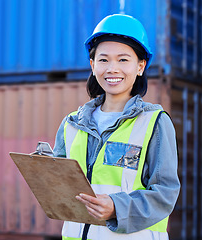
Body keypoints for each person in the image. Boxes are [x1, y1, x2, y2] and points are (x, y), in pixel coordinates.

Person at [53, 14, 180, 240]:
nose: (112, 68)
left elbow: (165, 194)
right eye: (103, 60)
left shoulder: (155, 123)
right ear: (92, 65)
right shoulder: (71, 124)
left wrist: (116, 208)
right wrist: (41, 168)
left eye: (123, 60)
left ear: (140, 66)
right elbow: (58, 189)